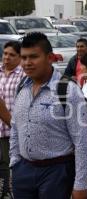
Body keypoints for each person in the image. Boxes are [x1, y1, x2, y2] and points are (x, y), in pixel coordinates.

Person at [9, 32, 87, 199]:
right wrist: (15, 163)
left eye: (33, 57)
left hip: (57, 173)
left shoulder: (68, 90)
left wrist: (80, 184)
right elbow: (16, 128)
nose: (27, 63)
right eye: (23, 58)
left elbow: (82, 141)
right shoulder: (22, 87)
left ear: (50, 57)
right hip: (23, 171)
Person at [0, 41, 24, 198]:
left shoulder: (23, 75)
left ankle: (11, 192)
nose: (7, 57)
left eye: (12, 55)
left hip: (13, 130)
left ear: (20, 58)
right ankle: (4, 192)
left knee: (12, 165)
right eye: (5, 53)